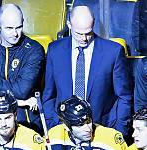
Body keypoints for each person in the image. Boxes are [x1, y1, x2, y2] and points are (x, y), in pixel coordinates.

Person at [42, 6, 133, 137]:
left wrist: (119, 133)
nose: (84, 39)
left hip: (102, 130)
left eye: (88, 33)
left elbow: (124, 96)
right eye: (79, 33)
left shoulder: (113, 52)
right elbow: (49, 95)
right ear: (69, 25)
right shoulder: (55, 50)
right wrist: (53, 125)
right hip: (63, 131)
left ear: (94, 23)